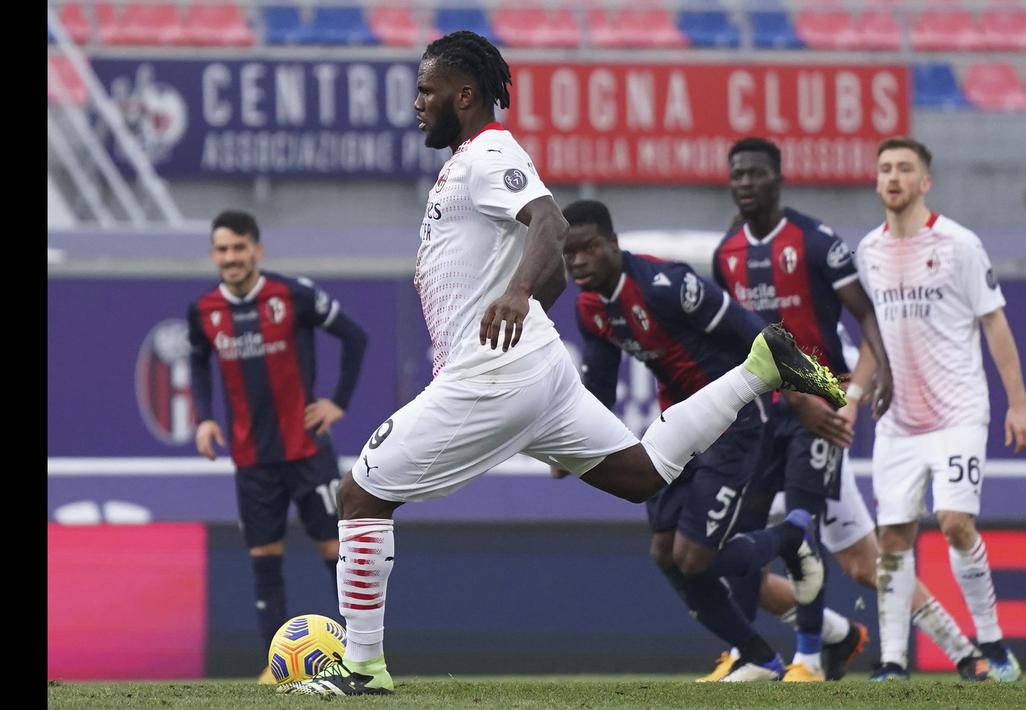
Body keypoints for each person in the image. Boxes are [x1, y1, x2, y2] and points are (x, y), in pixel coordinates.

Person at [278, 31, 846, 696]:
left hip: (492, 375)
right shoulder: (468, 161)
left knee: (360, 494)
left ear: (465, 95)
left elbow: (548, 221)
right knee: (640, 474)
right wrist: (527, 293)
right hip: (534, 368)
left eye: (427, 91)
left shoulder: (488, 152)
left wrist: (516, 294)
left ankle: (362, 669)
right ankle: (762, 366)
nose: (417, 103)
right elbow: (541, 262)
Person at [706, 136, 988, 683]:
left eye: (755, 174)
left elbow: (871, 320)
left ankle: (809, 656)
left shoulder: (816, 242)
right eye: (736, 174)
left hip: (822, 413)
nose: (744, 183)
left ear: (778, 179)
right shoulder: (726, 255)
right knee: (855, 562)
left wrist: (851, 395)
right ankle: (839, 638)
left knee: (798, 528)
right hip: (769, 421)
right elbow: (734, 343)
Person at [560, 198, 826, 682]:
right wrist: (569, 444)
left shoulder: (667, 286)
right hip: (675, 428)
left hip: (733, 423)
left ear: (613, 245)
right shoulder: (590, 309)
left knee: (694, 557)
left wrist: (801, 395)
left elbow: (752, 333)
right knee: (666, 554)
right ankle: (758, 656)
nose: (576, 262)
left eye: (587, 249)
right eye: (567, 253)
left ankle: (790, 536)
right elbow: (598, 385)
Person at [856, 136, 1026, 682]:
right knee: (892, 540)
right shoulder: (869, 251)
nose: (893, 177)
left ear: (925, 181)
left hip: (958, 413)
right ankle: (891, 661)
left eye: (905, 169)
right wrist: (854, 395)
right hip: (899, 422)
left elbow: (994, 321)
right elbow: (874, 337)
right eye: (885, 168)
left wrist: (1019, 404)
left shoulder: (959, 244)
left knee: (955, 523)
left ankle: (994, 643)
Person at [187, 209, 369, 683]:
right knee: (263, 558)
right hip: (252, 460)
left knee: (336, 549)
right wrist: (205, 417)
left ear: (256, 251)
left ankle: (359, 658)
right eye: (222, 250)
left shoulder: (293, 294)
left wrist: (338, 403)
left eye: (239, 248)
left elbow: (355, 337)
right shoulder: (203, 311)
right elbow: (198, 362)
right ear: (214, 254)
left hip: (308, 450)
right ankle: (275, 667)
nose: (231, 258)